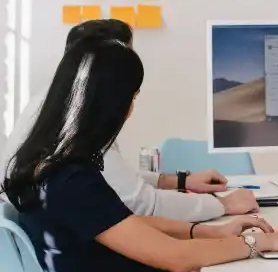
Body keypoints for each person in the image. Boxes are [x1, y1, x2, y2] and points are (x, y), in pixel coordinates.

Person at [1, 35, 278, 272]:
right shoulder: (70, 180)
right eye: (133, 96)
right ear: (112, 104)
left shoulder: (45, 164)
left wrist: (208, 231)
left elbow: (124, 224)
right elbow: (175, 258)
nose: (132, 108)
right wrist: (259, 243)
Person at [0, 19, 259, 222]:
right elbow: (141, 203)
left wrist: (178, 182)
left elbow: (111, 179)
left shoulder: (52, 103)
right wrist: (223, 205)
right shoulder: (78, 121)